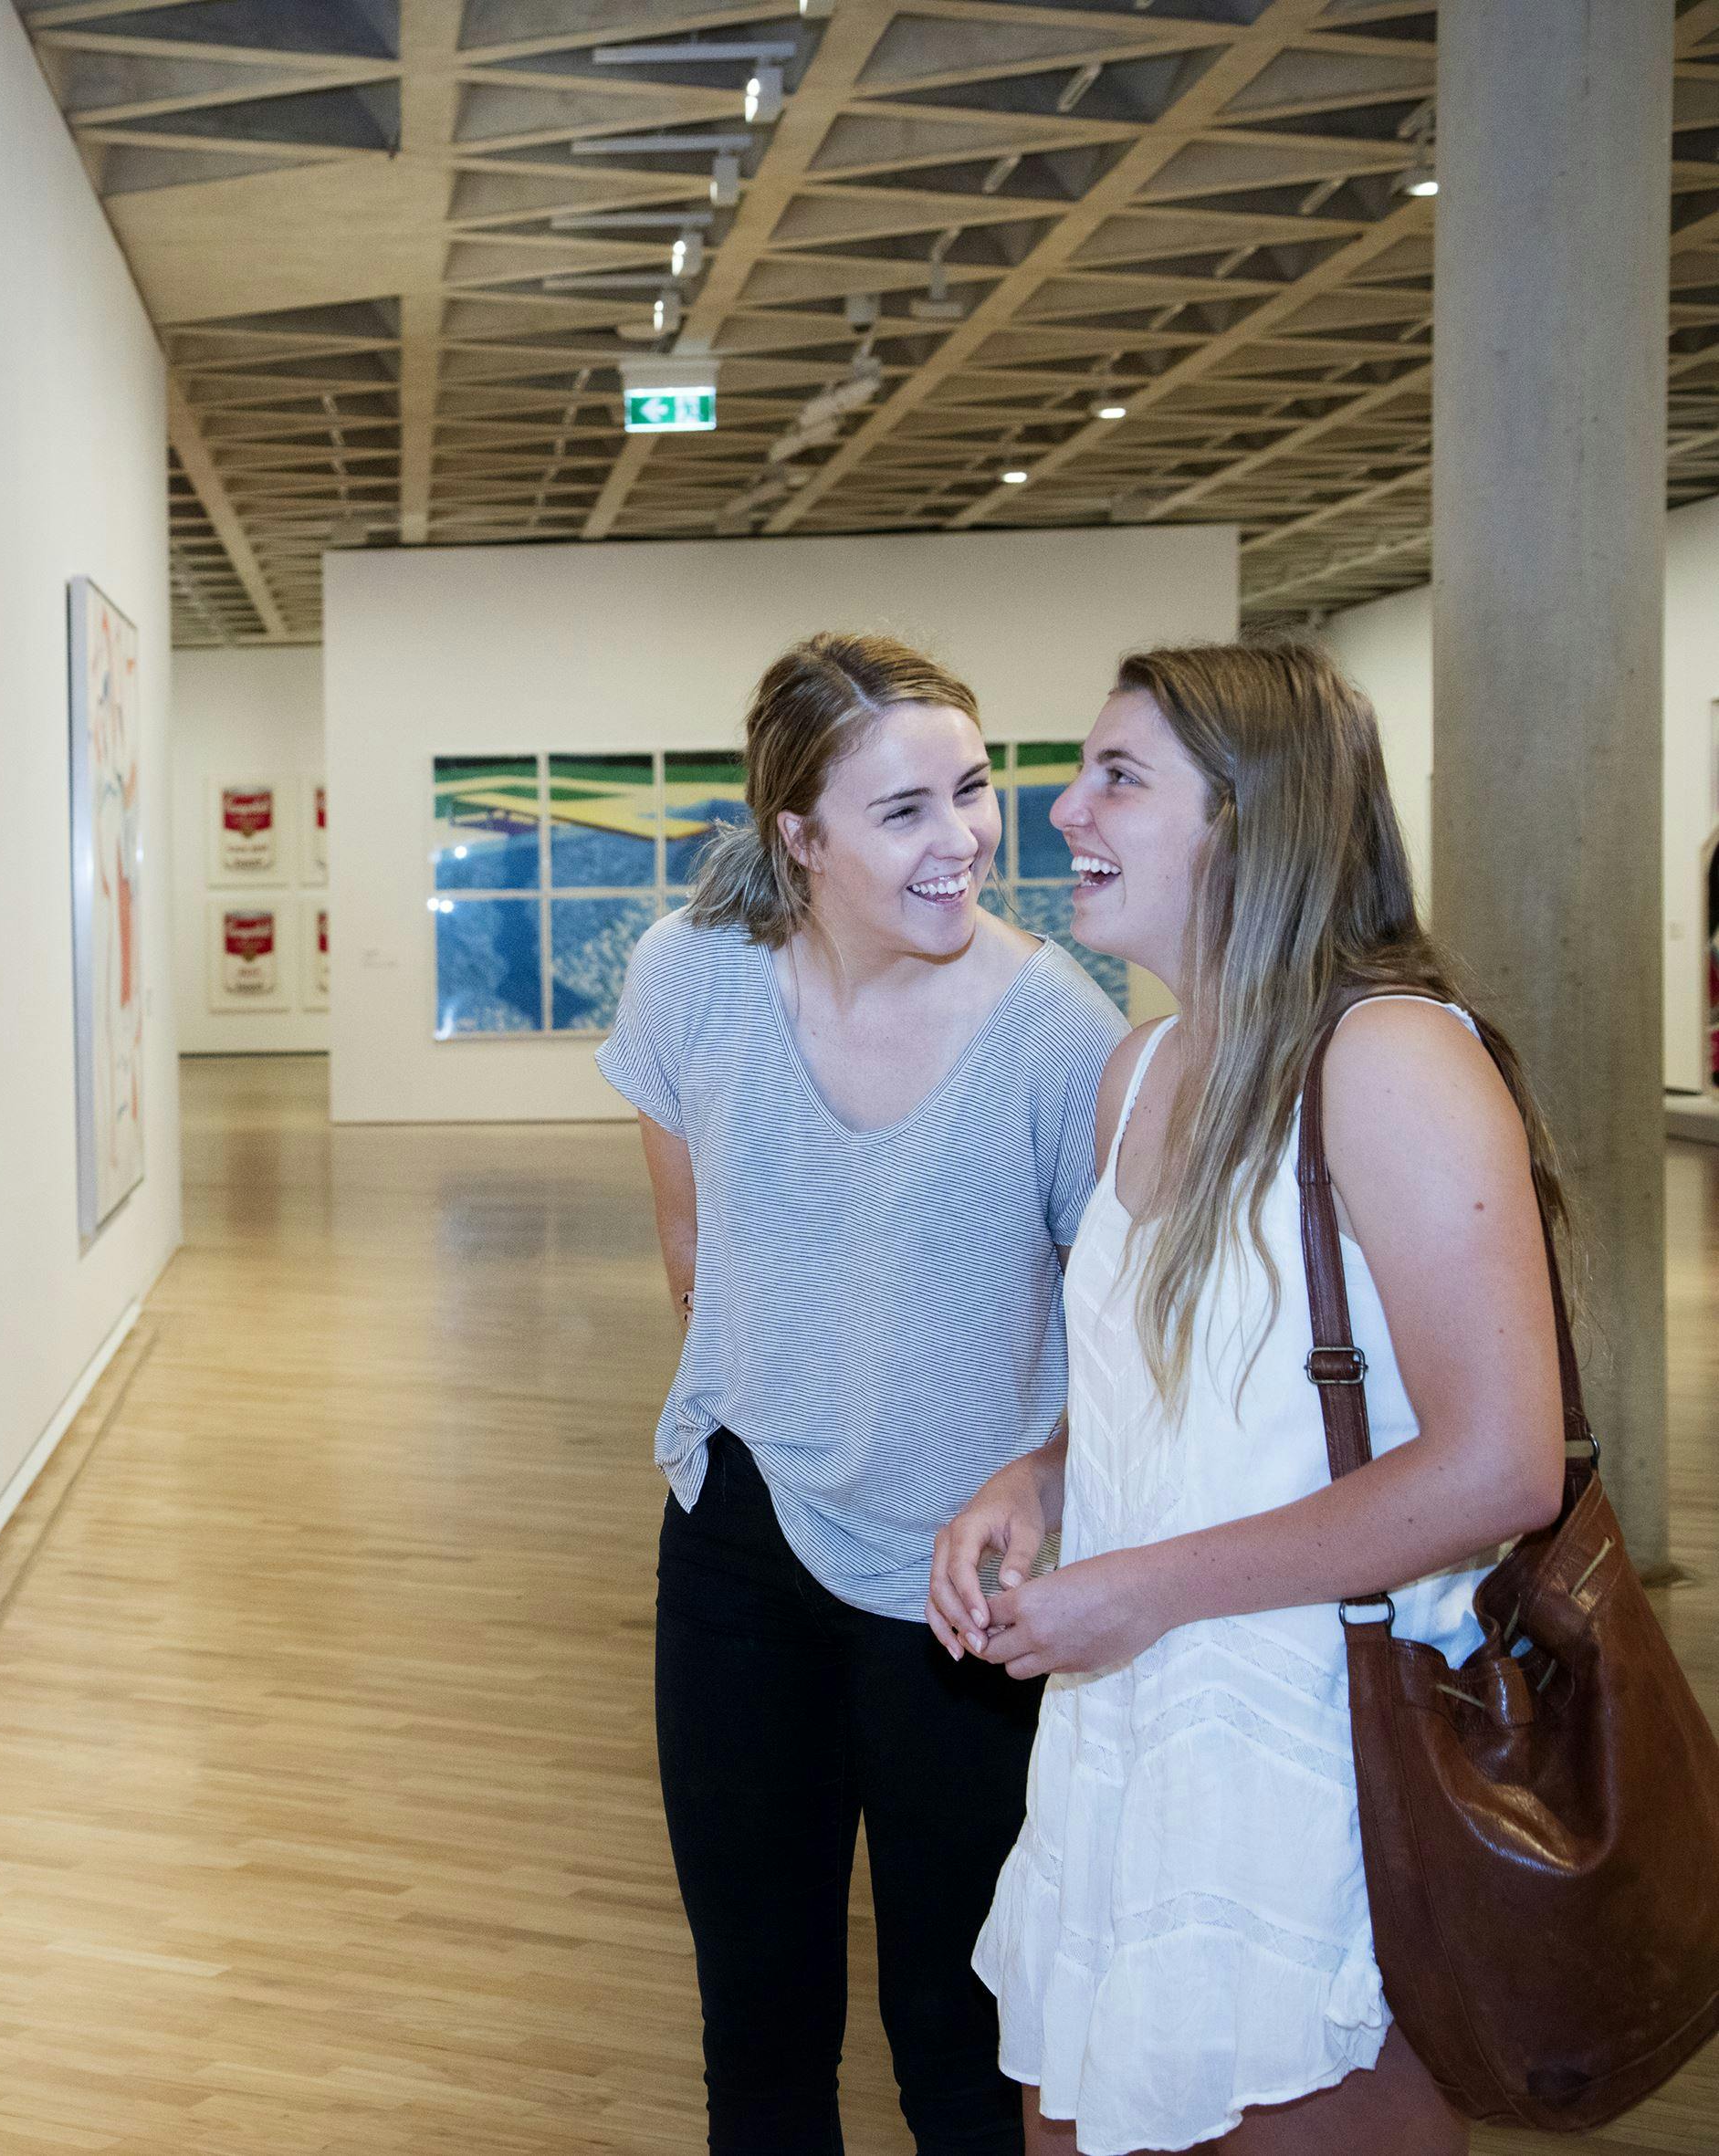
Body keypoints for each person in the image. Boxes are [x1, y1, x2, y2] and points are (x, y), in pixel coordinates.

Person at [942, 642, 1569, 2156]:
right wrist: (1040, 1475)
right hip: (1129, 1731)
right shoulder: (1139, 1071)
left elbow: (1503, 1464)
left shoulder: (1394, 1056)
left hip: (1320, 1759)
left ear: (1256, 820)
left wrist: (1142, 1587)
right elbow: (1169, 1395)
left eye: (1118, 775)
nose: (1060, 802)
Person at [600, 633, 1127, 2154]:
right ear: (800, 837)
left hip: (962, 1592)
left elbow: (1123, 1358)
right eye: (903, 811)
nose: (962, 838)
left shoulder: (1061, 1035)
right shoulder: (686, 980)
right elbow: (693, 1253)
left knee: (960, 2047)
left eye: (969, 790)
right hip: (736, 1552)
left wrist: (1034, 1471)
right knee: (757, 2032)